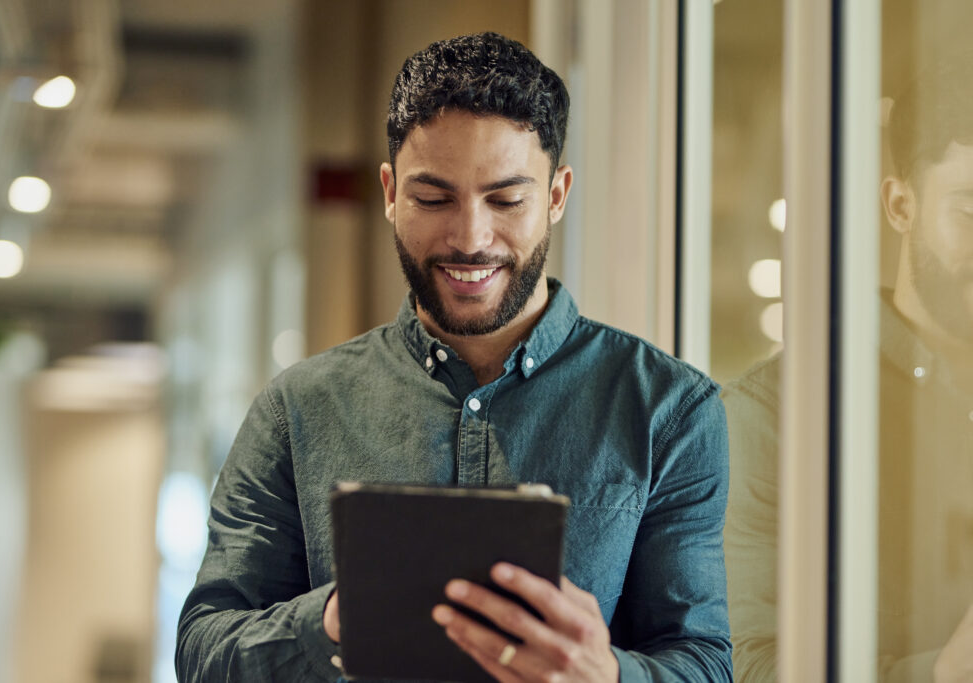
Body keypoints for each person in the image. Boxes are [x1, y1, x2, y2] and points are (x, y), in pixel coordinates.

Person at [177, 32, 732, 682]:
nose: (470, 237)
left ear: (556, 195)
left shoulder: (671, 409)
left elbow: (704, 663)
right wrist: (331, 619)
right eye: (434, 198)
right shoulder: (296, 409)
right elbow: (203, 650)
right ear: (389, 191)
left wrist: (606, 676)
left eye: (506, 199)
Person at [723, 57, 973, 682]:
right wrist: (941, 676)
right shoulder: (775, 416)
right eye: (969, 211)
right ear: (899, 205)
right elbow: (746, 668)